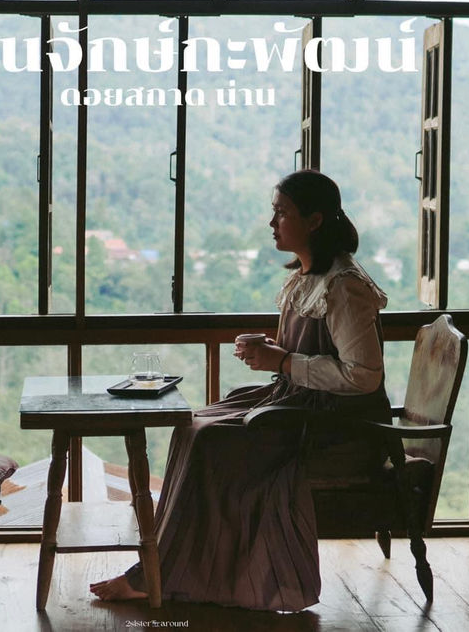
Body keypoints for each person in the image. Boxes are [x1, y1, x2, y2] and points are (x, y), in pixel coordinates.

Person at [90, 169, 391, 611]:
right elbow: (310, 351)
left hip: (335, 428)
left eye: (282, 213)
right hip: (302, 406)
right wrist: (272, 352)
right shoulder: (309, 277)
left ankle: (176, 573)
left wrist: (282, 362)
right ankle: (164, 564)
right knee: (192, 424)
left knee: (211, 440)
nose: (272, 223)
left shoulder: (344, 287)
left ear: (314, 220)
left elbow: (363, 376)